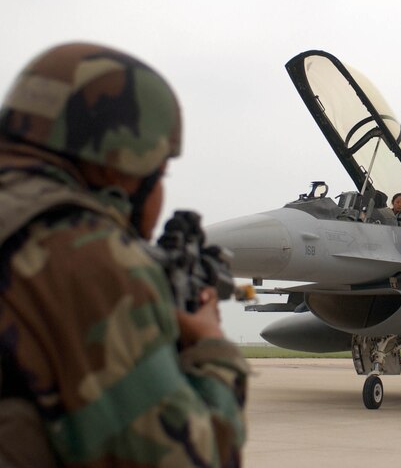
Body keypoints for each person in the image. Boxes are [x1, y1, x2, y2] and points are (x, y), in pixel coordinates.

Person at [0, 43, 249, 466]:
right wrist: (212, 349)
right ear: (124, 165)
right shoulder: (86, 255)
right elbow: (185, 458)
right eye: (162, 172)